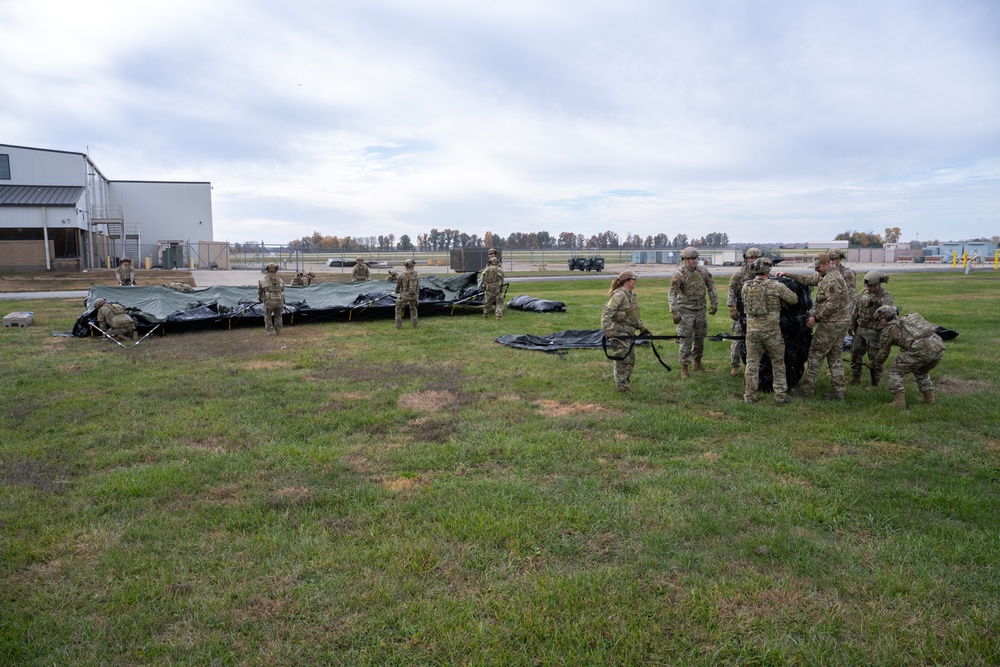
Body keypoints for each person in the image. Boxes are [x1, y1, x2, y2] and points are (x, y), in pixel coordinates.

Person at [777, 252, 850, 399]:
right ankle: (839, 391)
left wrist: (815, 318)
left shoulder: (832, 279)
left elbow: (833, 304)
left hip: (832, 324)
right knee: (834, 357)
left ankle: (806, 390)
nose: (816, 270)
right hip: (840, 322)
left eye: (818, 267)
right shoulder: (826, 275)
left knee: (816, 355)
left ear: (827, 264)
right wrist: (788, 274)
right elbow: (808, 280)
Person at [740, 257, 798, 404]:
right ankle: (780, 396)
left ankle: (749, 396)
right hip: (772, 333)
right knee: (778, 363)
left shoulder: (746, 286)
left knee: (752, 364)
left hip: (752, 332)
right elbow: (794, 299)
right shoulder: (776, 286)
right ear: (768, 270)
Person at [870, 305, 944, 409]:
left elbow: (883, 354)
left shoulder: (889, 330)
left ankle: (899, 402)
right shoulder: (907, 319)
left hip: (922, 349)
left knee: (895, 370)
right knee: (920, 370)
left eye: (879, 320)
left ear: (884, 317)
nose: (879, 323)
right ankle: (929, 399)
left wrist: (875, 363)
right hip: (938, 346)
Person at [668, 247, 718, 378]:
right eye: (691, 259)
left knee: (700, 337)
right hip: (686, 310)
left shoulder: (702, 271)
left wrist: (714, 303)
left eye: (696, 258)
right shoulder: (679, 274)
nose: (694, 261)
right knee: (685, 339)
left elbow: (711, 286)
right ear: (685, 260)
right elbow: (672, 293)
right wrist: (674, 311)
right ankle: (684, 367)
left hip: (700, 309)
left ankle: (697, 363)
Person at [601, 270, 651, 392]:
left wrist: (641, 327)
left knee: (630, 359)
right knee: (623, 360)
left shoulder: (630, 294)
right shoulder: (619, 295)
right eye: (634, 279)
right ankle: (622, 387)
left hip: (628, 332)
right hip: (619, 332)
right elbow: (606, 314)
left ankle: (625, 384)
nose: (636, 282)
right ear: (627, 281)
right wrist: (608, 330)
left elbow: (631, 316)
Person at [849, 271, 894, 388]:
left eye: (871, 286)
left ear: (878, 284)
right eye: (867, 286)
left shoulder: (885, 297)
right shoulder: (863, 292)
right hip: (861, 328)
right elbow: (856, 308)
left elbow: (889, 314)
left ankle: (875, 383)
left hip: (875, 331)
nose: (869, 288)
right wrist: (852, 323)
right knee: (855, 353)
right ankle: (856, 377)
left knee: (874, 358)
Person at [727, 247, 763, 376]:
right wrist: (732, 307)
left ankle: (757, 366)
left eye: (755, 258)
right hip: (742, 312)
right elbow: (731, 289)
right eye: (750, 258)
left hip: (758, 313)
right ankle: (735, 365)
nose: (752, 261)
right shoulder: (740, 274)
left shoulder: (764, 272)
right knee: (738, 338)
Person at [828, 248, 857, 318]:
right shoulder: (828, 272)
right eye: (829, 259)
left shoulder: (847, 273)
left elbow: (851, 294)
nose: (831, 262)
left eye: (833, 259)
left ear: (840, 259)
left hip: (843, 309)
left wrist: (846, 312)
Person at [257, 262, 285, 335]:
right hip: (279, 300)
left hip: (268, 300)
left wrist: (260, 299)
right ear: (276, 269)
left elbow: (260, 291)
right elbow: (282, 289)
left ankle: (270, 332)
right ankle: (279, 332)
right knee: (278, 315)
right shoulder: (280, 280)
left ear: (267, 269)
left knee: (268, 316)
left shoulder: (263, 280)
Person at [394, 259, 419, 329]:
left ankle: (398, 326)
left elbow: (398, 285)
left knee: (398, 308)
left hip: (405, 295)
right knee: (413, 309)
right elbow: (417, 286)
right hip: (414, 296)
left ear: (406, 266)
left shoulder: (402, 275)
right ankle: (415, 325)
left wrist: (397, 291)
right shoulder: (417, 275)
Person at [480, 256, 505, 320]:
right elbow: (502, 279)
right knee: (499, 302)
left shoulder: (486, 269)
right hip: (497, 289)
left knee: (487, 303)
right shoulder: (499, 269)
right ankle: (498, 316)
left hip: (488, 289)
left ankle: (485, 316)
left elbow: (482, 279)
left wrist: (483, 286)